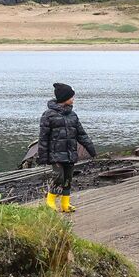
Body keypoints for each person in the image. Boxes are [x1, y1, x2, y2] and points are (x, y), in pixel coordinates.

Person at [37, 82, 96, 213]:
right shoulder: (48, 115)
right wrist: (43, 157)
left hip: (70, 153)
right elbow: (43, 138)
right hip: (55, 154)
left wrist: (91, 149)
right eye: (71, 97)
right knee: (58, 177)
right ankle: (50, 201)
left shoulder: (73, 115)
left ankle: (65, 204)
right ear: (64, 98)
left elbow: (82, 134)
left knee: (68, 178)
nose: (73, 99)